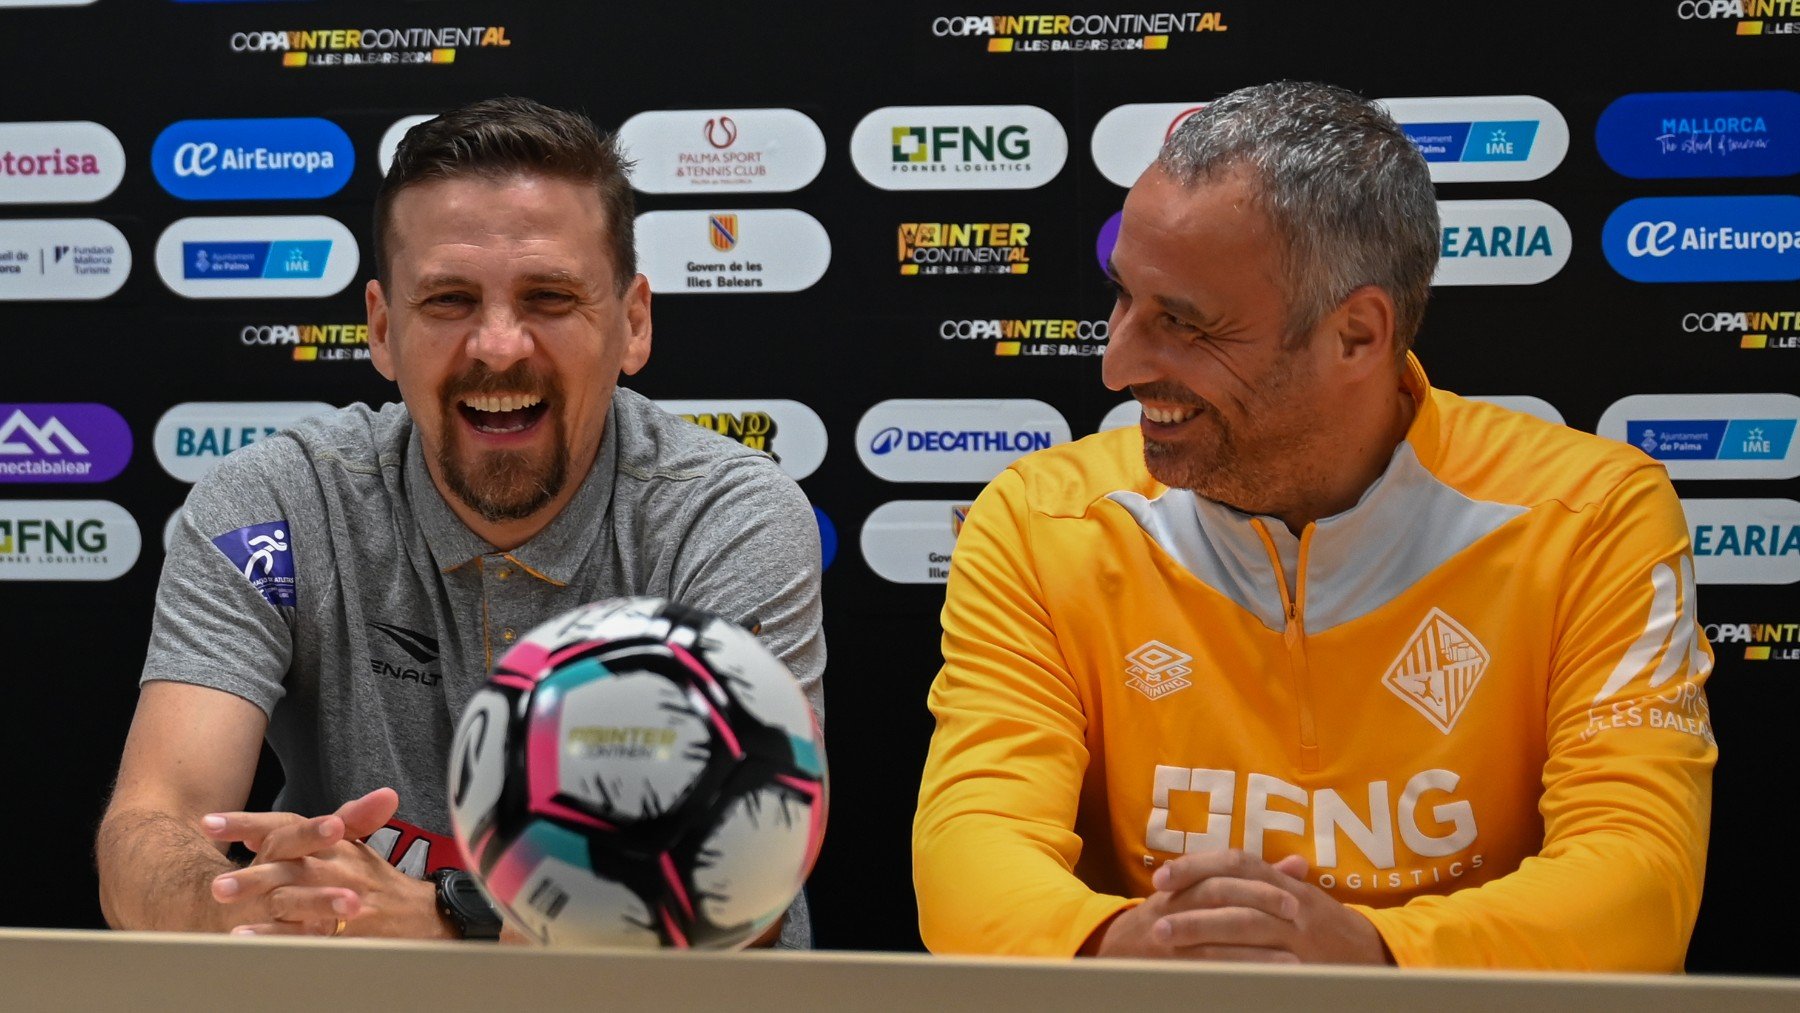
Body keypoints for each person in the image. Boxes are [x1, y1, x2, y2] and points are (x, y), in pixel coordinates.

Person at [912, 82, 1715, 970]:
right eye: (1124, 300)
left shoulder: (1591, 516)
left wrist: (1371, 954)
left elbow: (1639, 883)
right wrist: (1120, 944)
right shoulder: (1041, 519)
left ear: (1358, 335)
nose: (1117, 362)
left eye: (1183, 322)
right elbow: (970, 850)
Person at [96, 98, 824, 946]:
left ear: (632, 322)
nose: (499, 345)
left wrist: (445, 918)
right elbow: (153, 826)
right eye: (448, 300)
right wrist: (260, 904)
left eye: (550, 297)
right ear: (381, 328)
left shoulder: (723, 515)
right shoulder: (274, 501)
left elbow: (738, 886)